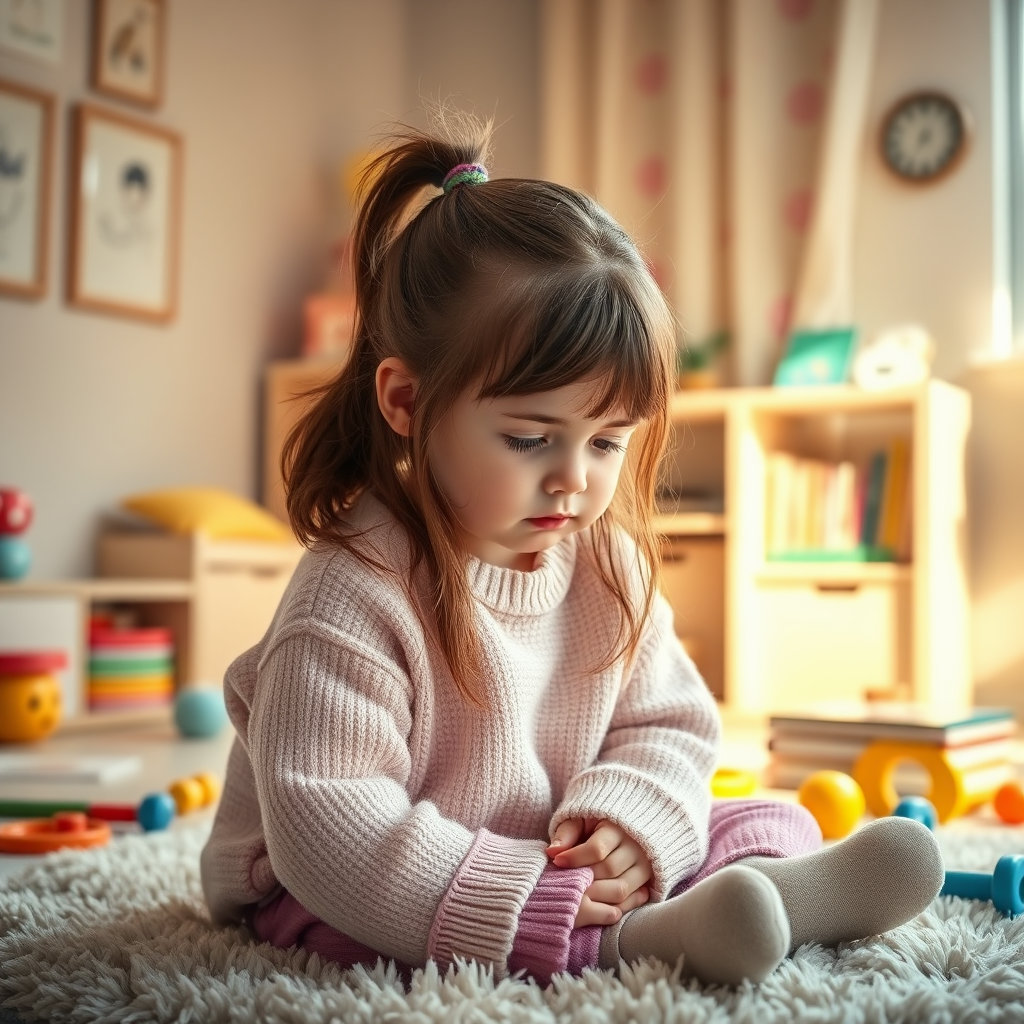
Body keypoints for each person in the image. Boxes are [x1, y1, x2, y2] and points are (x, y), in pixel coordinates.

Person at [200, 115, 944, 988]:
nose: (573, 481)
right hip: (340, 879)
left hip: (546, 840)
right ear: (405, 401)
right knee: (345, 925)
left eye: (607, 442)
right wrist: (522, 890)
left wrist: (626, 824)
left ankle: (764, 893)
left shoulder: (605, 564)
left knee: (759, 817)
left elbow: (670, 724)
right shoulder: (353, 588)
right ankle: (644, 942)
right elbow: (332, 827)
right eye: (530, 439)